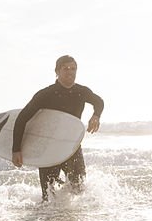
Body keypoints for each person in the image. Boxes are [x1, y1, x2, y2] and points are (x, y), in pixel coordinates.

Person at [12, 55, 104, 201]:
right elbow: (22, 118)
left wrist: (96, 115)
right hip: (49, 150)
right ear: (57, 71)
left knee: (79, 189)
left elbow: (98, 101)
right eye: (65, 68)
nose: (70, 72)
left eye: (73, 69)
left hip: (71, 148)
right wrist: (16, 149)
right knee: (49, 196)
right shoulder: (45, 94)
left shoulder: (81, 91)